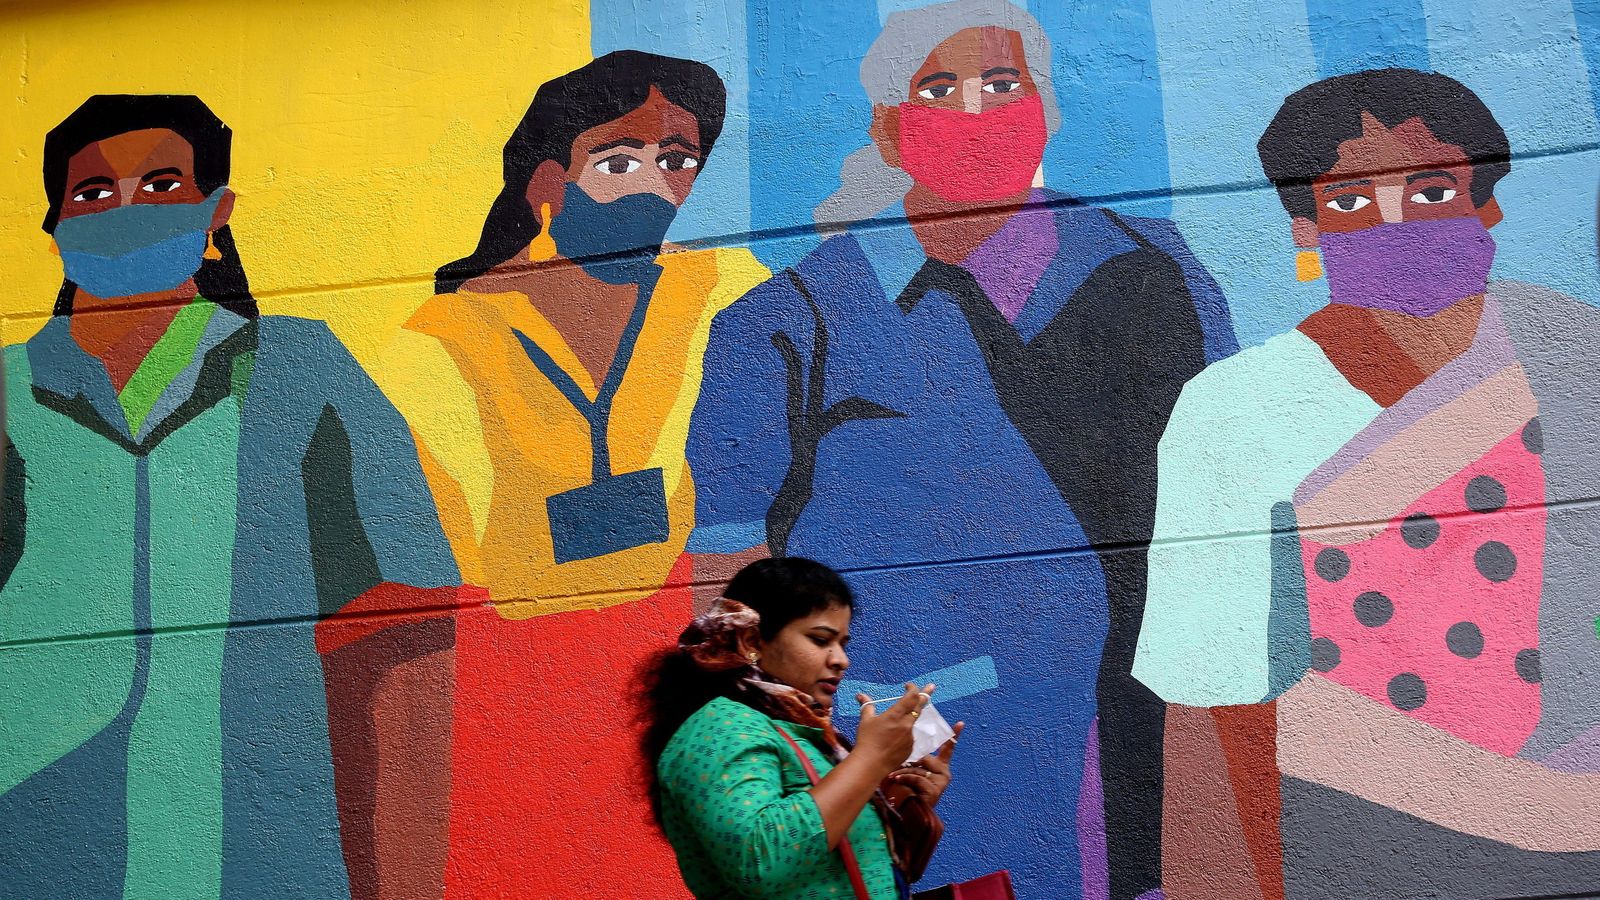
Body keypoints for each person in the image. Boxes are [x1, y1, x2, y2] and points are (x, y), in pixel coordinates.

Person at [686, 1, 1234, 895]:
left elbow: (1230, 502)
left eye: (1003, 84)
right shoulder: (788, 325)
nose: (977, 112)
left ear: (1048, 107)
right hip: (934, 751)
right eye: (940, 89)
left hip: (1144, 735)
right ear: (890, 130)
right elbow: (729, 574)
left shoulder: (1156, 267)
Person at [1135, 68, 1600, 900]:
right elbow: (1211, 697)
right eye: (1351, 202)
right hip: (1356, 834)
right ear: (1305, 228)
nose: (1399, 221)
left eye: (1432, 189)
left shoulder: (1572, 354)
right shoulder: (1235, 412)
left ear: (1486, 202)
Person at [0, 95, 460, 900]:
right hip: (41, 839)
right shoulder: (8, 391)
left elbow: (405, 633)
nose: (126, 212)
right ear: (56, 227)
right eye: (94, 194)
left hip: (263, 849)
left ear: (217, 212)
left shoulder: (299, 368)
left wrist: (403, 876)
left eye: (162, 185)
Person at [385, 51, 768, 896]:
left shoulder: (726, 291)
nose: (654, 185)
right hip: (520, 688)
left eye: (677, 160)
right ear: (547, 181)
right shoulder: (443, 340)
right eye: (619, 159)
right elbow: (438, 559)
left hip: (688, 665)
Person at [645, 557, 962, 899]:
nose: (841, 659)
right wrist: (870, 761)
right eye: (821, 639)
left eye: (842, 643)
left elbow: (855, 870)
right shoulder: (717, 727)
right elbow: (757, 862)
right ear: (752, 640)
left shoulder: (803, 731)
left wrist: (903, 798)